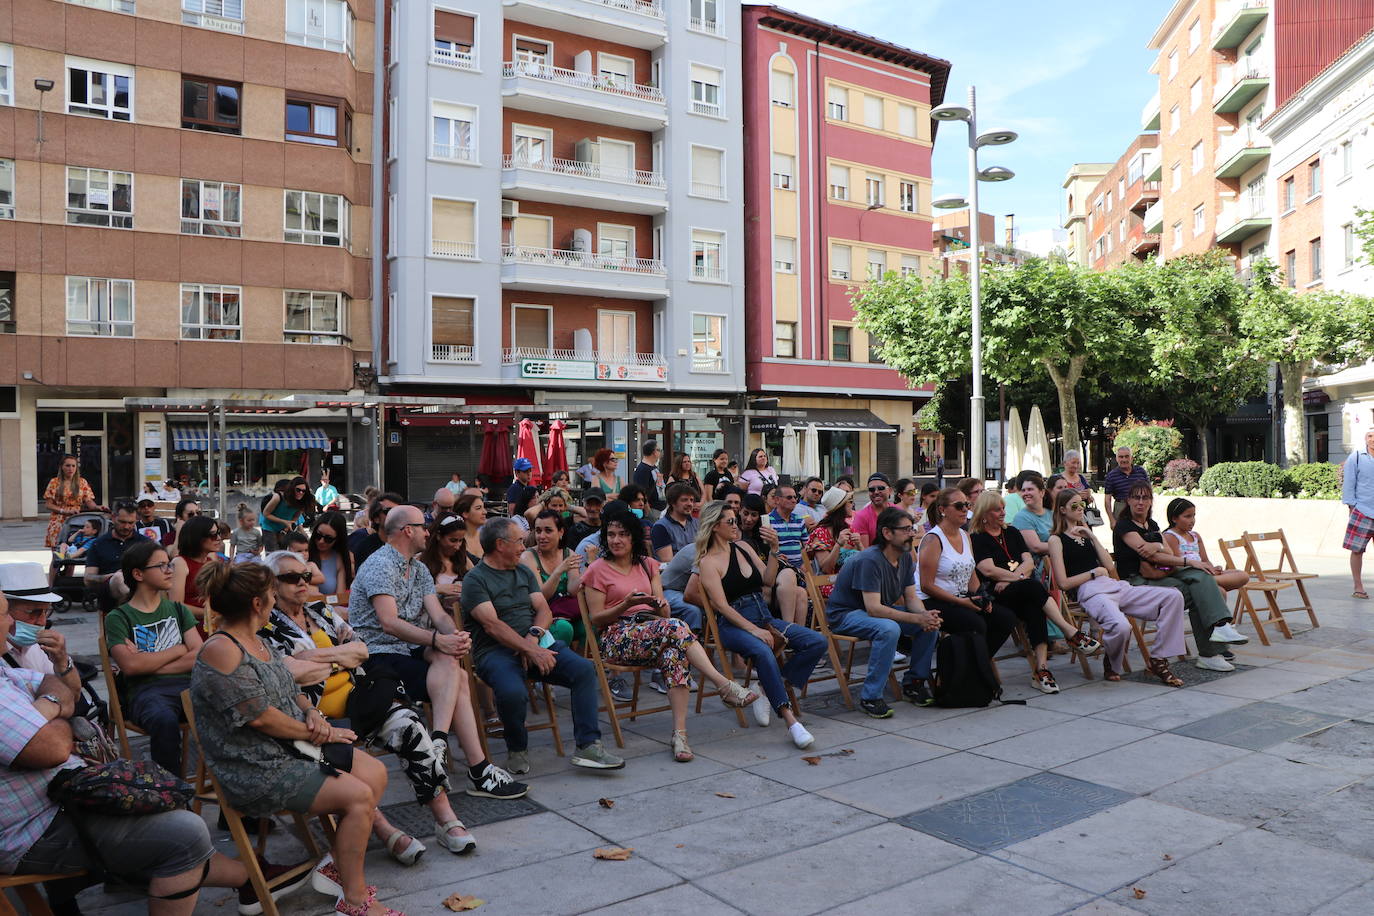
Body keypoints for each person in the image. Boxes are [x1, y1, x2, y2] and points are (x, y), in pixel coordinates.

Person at [191, 562, 408, 916]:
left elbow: (291, 690)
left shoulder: (257, 640)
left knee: (375, 774)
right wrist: (320, 731)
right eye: (270, 595)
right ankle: (354, 901)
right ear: (257, 604)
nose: (275, 599)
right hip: (255, 765)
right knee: (358, 797)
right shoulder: (222, 649)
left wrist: (310, 712)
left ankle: (335, 866)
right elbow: (261, 717)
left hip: (294, 746)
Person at [259, 550, 476, 862]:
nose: (301, 583)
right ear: (272, 586)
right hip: (311, 717)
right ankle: (384, 829)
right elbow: (289, 670)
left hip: (360, 701)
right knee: (336, 758)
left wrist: (319, 658)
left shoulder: (320, 611)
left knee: (410, 725)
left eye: (305, 576)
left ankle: (445, 817)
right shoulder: (266, 627)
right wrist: (337, 656)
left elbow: (361, 650)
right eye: (291, 578)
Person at [2, 656, 255, 916]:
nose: (10, 621)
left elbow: (61, 687)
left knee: (165, 799)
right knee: (185, 834)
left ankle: (252, 879)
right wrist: (59, 719)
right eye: (4, 614)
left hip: (71, 794)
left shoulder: (4, 672)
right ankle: (251, 880)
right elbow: (52, 747)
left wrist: (48, 705)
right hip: (34, 828)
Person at [349, 505, 527, 799]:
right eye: (423, 527)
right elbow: (389, 623)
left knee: (450, 659)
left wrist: (453, 636)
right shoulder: (380, 564)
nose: (428, 532)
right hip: (377, 657)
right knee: (456, 678)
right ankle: (479, 770)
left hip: (410, 649)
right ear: (408, 530)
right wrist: (436, 639)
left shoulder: (418, 569)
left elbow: (439, 615)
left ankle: (441, 741)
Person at [581, 510, 757, 762]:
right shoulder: (597, 569)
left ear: (633, 538)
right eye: (610, 534)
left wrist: (658, 605)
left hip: (653, 630)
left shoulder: (646, 564)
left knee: (675, 654)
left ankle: (680, 736)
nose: (615, 540)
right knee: (676, 628)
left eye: (622, 534)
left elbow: (663, 612)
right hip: (616, 637)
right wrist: (625, 604)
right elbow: (596, 618)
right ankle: (724, 685)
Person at [464, 517, 625, 775]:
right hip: (495, 652)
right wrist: (530, 649)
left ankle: (587, 746)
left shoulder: (522, 571)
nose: (524, 545)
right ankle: (516, 749)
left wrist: (534, 638)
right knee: (513, 691)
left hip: (536, 644)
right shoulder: (476, 579)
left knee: (584, 669)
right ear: (500, 544)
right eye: (519, 540)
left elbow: (543, 609)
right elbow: (492, 625)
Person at [693, 500, 825, 747]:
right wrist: (752, 629)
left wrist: (774, 549)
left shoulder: (743, 547)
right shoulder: (708, 562)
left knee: (816, 641)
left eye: (735, 519)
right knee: (764, 651)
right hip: (733, 625)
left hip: (763, 616)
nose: (736, 524)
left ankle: (767, 687)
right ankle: (791, 721)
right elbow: (721, 606)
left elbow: (768, 579)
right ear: (714, 526)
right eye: (730, 521)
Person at [1047, 488, 1186, 685]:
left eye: (1082, 504)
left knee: (1173, 596)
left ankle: (1158, 659)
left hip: (1112, 585)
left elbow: (1110, 566)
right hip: (1088, 590)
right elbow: (1063, 583)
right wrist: (1093, 573)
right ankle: (1112, 663)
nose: (1080, 509)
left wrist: (1092, 537)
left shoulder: (1085, 534)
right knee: (1121, 626)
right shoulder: (1056, 539)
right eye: (1075, 506)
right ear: (1062, 510)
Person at [969, 491, 1103, 694]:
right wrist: (1017, 578)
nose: (1003, 512)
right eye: (997, 509)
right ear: (984, 514)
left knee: (1035, 606)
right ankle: (1070, 632)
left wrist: (1012, 579)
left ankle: (1041, 670)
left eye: (1003, 508)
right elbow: (988, 570)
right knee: (1034, 588)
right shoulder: (978, 538)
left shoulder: (1012, 532)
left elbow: (1029, 562)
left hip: (1019, 591)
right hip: (995, 594)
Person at [1115, 483, 1249, 671]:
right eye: (1136, 498)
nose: (1140, 502)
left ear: (1151, 501)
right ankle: (1216, 637)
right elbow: (1147, 554)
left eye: (1145, 498)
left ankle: (1212, 646)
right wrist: (1188, 561)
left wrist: (1158, 546)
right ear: (1128, 500)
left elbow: (1166, 552)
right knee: (1200, 580)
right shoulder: (1124, 526)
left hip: (1159, 576)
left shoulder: (1152, 525)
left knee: (1203, 583)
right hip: (1135, 582)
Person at [826, 507, 942, 716]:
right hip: (845, 615)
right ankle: (870, 697)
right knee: (888, 629)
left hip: (874, 612)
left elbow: (911, 597)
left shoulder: (905, 556)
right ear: (887, 533)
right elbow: (874, 608)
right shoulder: (870, 559)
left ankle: (914, 683)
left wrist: (925, 617)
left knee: (929, 628)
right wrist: (916, 617)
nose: (912, 533)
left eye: (912, 528)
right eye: (906, 529)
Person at [105, 539, 204, 774]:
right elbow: (130, 666)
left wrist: (149, 663)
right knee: (163, 719)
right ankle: (171, 793)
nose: (169, 570)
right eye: (161, 566)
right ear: (138, 574)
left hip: (189, 685)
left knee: (230, 707)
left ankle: (230, 794)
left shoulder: (177, 610)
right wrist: (179, 649)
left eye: (169, 564)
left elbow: (199, 654)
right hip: (147, 692)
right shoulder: (119, 617)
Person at [917, 488, 1018, 675]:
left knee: (1005, 618)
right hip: (933, 601)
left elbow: (971, 575)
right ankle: (972, 670)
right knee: (976, 624)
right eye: (959, 506)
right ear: (943, 510)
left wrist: (982, 597)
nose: (965, 509)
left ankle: (974, 667)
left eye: (967, 505)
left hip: (962, 597)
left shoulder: (965, 535)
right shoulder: (933, 539)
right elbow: (926, 585)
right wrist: (962, 602)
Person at [1, 564, 82, 695]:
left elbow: (74, 694)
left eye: (46, 611)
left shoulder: (37, 647)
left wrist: (61, 660)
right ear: (5, 610)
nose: (42, 621)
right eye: (34, 612)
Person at [521, 511, 584, 646]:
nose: (542, 536)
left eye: (548, 531)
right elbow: (542, 595)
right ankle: (559, 664)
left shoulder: (568, 553)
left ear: (561, 532)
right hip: (539, 616)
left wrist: (590, 567)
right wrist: (559, 571)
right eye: (538, 531)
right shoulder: (528, 557)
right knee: (563, 628)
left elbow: (573, 591)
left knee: (589, 624)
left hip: (564, 611)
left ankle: (580, 663)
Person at [83, 501, 150, 611]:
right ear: (113, 518)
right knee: (119, 578)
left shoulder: (145, 543)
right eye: (122, 522)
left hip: (140, 586)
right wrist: (110, 577)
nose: (127, 527)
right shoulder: (99, 544)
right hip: (110, 593)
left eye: (131, 523)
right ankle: (138, 608)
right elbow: (88, 578)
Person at [804, 486, 862, 599]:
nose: (852, 505)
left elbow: (865, 560)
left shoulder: (849, 529)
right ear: (840, 508)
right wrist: (838, 545)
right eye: (849, 502)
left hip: (850, 580)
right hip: (829, 583)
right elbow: (826, 569)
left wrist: (859, 544)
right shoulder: (820, 532)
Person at [169, 515, 223, 624]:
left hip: (213, 623)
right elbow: (176, 605)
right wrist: (210, 614)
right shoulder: (180, 563)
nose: (218, 538)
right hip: (191, 626)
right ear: (197, 537)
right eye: (213, 535)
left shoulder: (210, 561)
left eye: (218, 533)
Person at [42, 454, 103, 550]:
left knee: (72, 555)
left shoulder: (82, 482)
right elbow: (48, 504)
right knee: (57, 557)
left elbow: (89, 502)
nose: (71, 468)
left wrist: (98, 507)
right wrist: (64, 511)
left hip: (76, 521)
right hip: (58, 521)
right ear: (61, 467)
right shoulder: (54, 482)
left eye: (73, 466)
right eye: (67, 465)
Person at [1344, 428, 1374, 599]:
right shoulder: (1355, 457)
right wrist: (1351, 507)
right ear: (1365, 438)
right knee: (1357, 550)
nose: (1373, 439)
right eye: (1370, 436)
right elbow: (1349, 483)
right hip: (1362, 510)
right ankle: (1358, 587)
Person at [420, 514, 469, 616]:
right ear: (438, 536)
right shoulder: (420, 561)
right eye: (453, 540)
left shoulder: (464, 560)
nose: (457, 546)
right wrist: (437, 589)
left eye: (461, 541)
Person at [1013, 473, 1054, 579]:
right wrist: (1064, 546)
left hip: (1058, 559)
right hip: (1040, 568)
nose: (1026, 493)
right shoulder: (1022, 517)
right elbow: (1036, 547)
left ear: (1042, 492)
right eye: (1023, 490)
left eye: (1030, 489)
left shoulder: (1052, 514)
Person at [651, 483, 700, 563]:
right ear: (673, 503)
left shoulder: (697, 523)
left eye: (691, 500)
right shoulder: (660, 527)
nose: (689, 504)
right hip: (674, 573)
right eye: (684, 500)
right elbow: (668, 561)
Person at [351, 493, 404, 568]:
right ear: (376, 518)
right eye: (389, 511)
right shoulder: (365, 547)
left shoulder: (408, 542)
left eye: (399, 512)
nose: (395, 515)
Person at [261, 478, 311, 552]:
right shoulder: (278, 497)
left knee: (283, 553)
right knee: (273, 554)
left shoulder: (303, 501)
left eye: (303, 491)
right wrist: (284, 522)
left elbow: (296, 517)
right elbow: (266, 514)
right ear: (292, 489)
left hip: (284, 528)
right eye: (298, 490)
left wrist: (286, 528)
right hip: (269, 527)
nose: (301, 492)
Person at [1102, 446, 1150, 522]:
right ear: (1117, 459)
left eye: (1127, 456)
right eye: (1121, 457)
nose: (1124, 459)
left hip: (1139, 506)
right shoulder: (1111, 476)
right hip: (1121, 507)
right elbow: (1107, 500)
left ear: (1131, 458)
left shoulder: (1141, 472)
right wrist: (1111, 520)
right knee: (1121, 533)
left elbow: (1149, 493)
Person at [850, 472, 892, 547]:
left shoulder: (898, 512)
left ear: (890, 490)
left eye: (880, 488)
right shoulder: (862, 517)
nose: (876, 492)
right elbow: (864, 553)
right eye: (872, 489)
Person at [632, 441, 667, 515]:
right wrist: (646, 506)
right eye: (659, 450)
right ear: (654, 452)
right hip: (652, 508)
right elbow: (641, 490)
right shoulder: (643, 469)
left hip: (661, 507)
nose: (660, 452)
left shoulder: (654, 467)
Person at [456, 493, 488, 566]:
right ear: (465, 513)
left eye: (484, 507)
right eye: (478, 508)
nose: (485, 512)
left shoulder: (487, 537)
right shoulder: (456, 541)